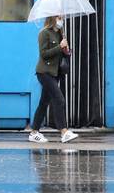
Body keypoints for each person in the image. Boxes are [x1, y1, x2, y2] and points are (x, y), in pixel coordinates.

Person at [29, 15, 79, 143]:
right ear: (52, 19)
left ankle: (34, 132)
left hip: (54, 73)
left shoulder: (60, 34)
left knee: (43, 102)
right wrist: (59, 47)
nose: (61, 20)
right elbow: (44, 54)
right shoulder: (44, 33)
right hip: (44, 72)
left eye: (62, 17)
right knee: (59, 99)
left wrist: (66, 50)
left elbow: (61, 54)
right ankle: (64, 132)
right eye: (59, 17)